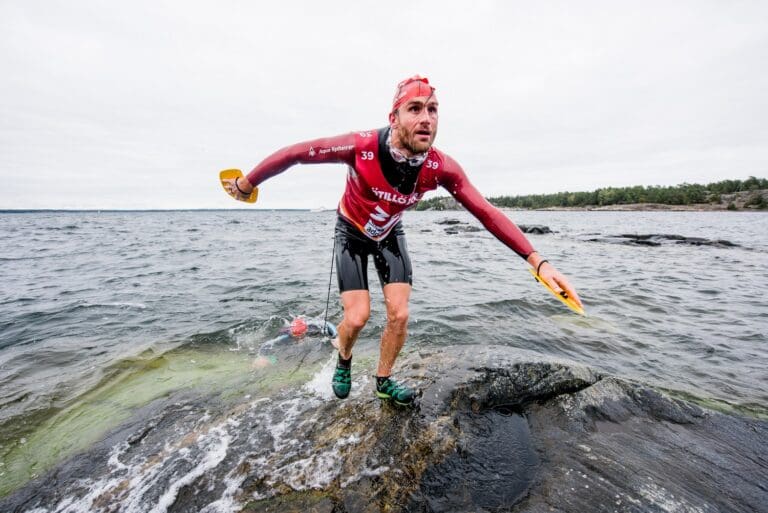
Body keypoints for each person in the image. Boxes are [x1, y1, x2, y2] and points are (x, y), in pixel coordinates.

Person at [225, 75, 583, 406]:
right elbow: (295, 154)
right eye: (415, 109)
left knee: (400, 314)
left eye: (432, 110)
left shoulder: (441, 168)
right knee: (358, 316)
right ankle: (344, 358)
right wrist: (247, 183)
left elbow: (485, 211)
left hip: (389, 234)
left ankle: (383, 381)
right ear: (394, 117)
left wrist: (538, 262)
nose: (426, 118)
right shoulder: (360, 146)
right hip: (350, 231)